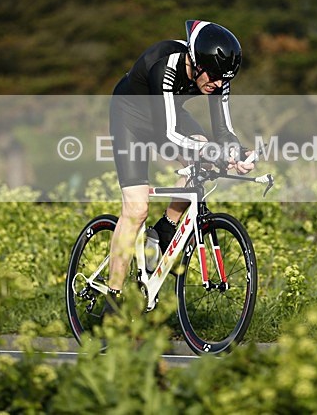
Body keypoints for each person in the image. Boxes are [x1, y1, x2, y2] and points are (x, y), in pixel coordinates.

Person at [105, 20, 254, 313]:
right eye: (213, 77)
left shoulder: (217, 77)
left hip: (167, 113)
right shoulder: (166, 65)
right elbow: (168, 133)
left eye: (225, 79)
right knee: (136, 210)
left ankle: (165, 228)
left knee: (203, 155)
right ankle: (113, 295)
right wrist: (213, 151)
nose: (218, 85)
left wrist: (238, 154)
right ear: (195, 64)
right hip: (131, 118)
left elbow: (223, 131)